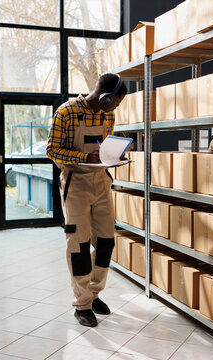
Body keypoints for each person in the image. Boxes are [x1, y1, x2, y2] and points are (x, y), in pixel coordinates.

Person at [46, 73, 127, 327]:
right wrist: (82, 157)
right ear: (105, 97)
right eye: (116, 101)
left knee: (106, 242)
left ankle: (93, 294)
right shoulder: (66, 112)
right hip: (76, 182)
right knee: (79, 245)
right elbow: (52, 149)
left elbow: (104, 147)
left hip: (101, 181)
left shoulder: (108, 115)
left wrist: (114, 156)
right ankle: (82, 304)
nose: (117, 106)